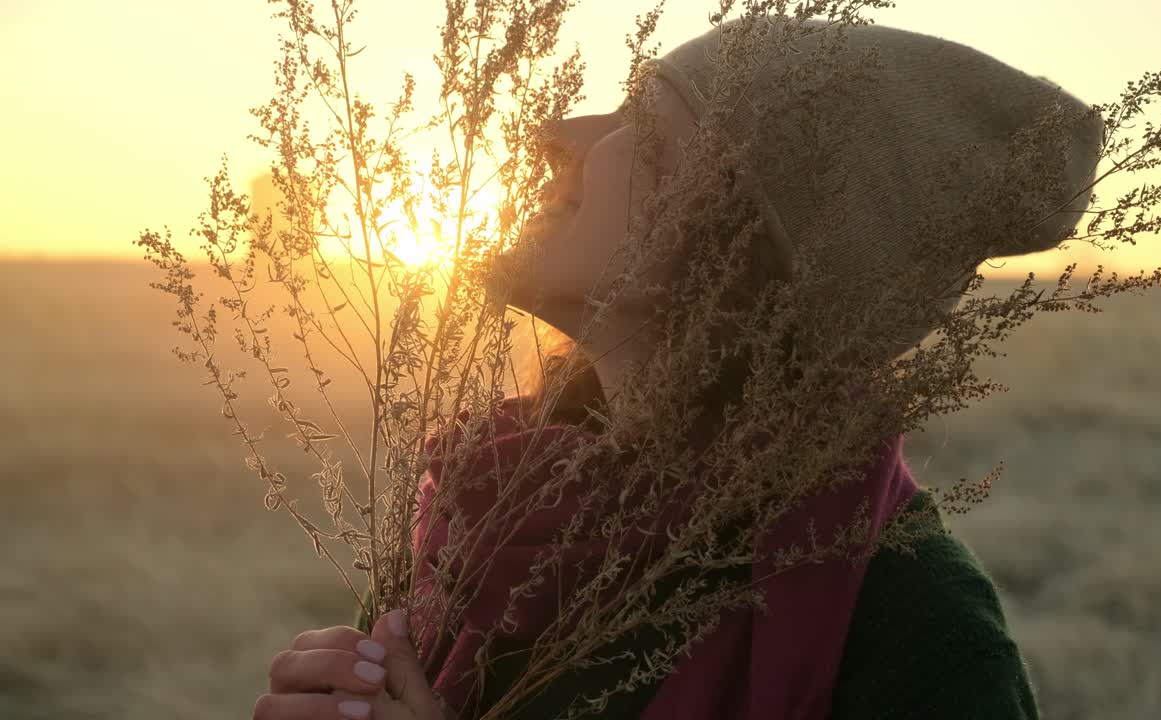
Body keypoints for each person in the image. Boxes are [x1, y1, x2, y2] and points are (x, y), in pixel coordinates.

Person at [253, 17, 1102, 720]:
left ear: (742, 261)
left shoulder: (915, 631)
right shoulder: (487, 514)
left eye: (649, 135)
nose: (556, 136)